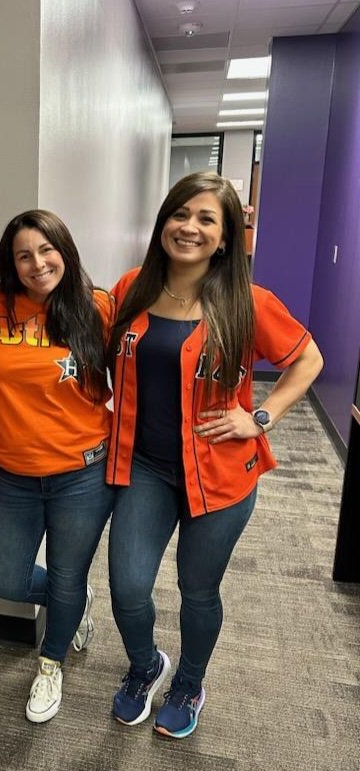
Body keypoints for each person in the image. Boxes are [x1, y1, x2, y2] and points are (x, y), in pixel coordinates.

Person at [105, 172, 323, 739]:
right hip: (146, 468)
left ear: (225, 238)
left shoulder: (247, 301)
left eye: (207, 220)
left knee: (198, 590)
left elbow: (307, 360)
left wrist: (259, 417)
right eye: (181, 214)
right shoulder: (131, 287)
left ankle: (190, 682)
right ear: (163, 223)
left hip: (221, 472)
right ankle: (145, 665)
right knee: (128, 587)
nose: (191, 227)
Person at [0, 210, 116, 723]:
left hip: (82, 472)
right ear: (11, 263)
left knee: (66, 574)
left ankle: (50, 666)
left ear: (64, 250)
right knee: (6, 578)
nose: (37, 264)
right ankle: (72, 599)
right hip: (14, 474)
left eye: (46, 250)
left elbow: (137, 379)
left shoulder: (97, 307)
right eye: (23, 255)